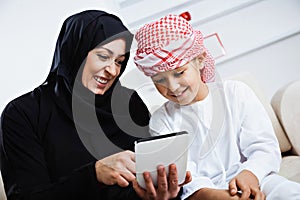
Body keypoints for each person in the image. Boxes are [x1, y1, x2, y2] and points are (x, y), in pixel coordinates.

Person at [0, 10, 190, 200]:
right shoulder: (22, 114)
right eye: (103, 56)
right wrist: (95, 175)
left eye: (119, 61)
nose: (112, 70)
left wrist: (165, 192)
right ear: (76, 50)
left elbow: (151, 173)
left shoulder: (128, 102)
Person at [133, 14, 300, 200]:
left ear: (200, 60)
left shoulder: (235, 93)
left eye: (179, 73)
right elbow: (185, 177)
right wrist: (215, 195)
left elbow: (264, 147)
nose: (172, 87)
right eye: (159, 80)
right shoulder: (161, 120)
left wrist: (250, 174)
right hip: (207, 195)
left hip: (258, 181)